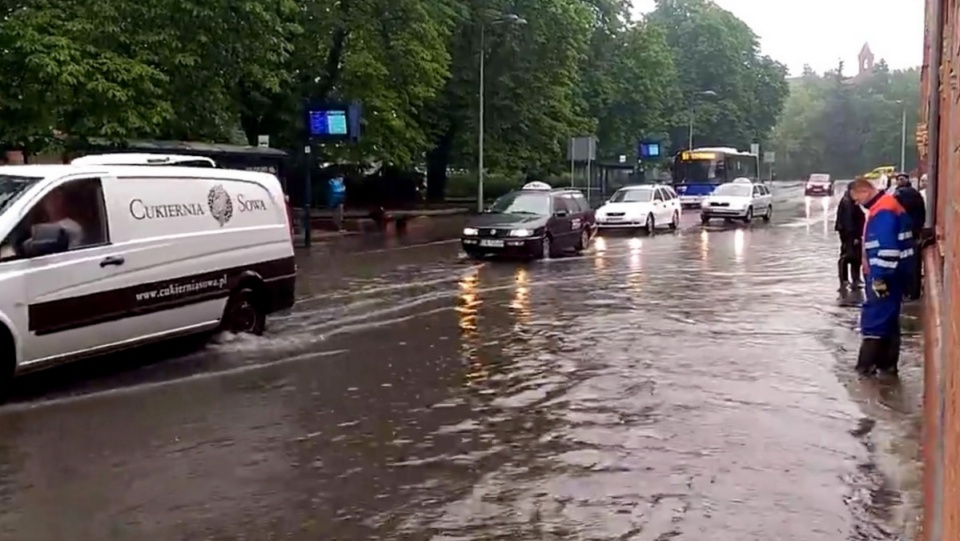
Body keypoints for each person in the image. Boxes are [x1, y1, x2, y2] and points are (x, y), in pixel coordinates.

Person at [848, 178, 915, 377]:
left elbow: (887, 249)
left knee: (874, 321)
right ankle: (887, 368)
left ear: (865, 191)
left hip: (886, 276)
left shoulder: (883, 210)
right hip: (893, 274)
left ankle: (865, 370)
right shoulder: (883, 206)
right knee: (888, 321)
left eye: (856, 197)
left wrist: (879, 279)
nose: (856, 202)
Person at [893, 173, 925, 300]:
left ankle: (908, 292)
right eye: (898, 179)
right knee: (913, 264)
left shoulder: (902, 194)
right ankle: (912, 292)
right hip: (914, 232)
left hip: (906, 233)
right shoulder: (914, 193)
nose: (899, 181)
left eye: (901, 179)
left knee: (906, 265)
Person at [835, 183, 866, 289]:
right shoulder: (847, 202)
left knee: (855, 257)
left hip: (851, 233)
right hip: (849, 234)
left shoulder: (852, 201)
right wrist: (855, 237)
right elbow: (849, 221)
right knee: (848, 255)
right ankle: (845, 280)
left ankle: (854, 278)